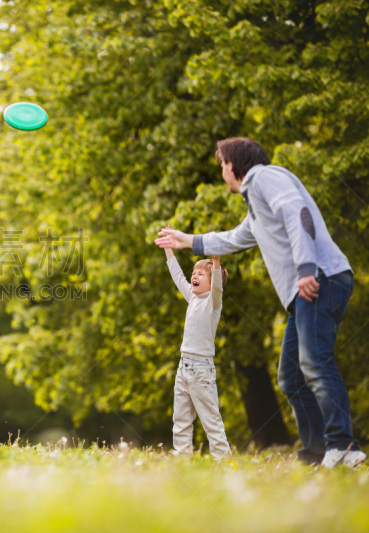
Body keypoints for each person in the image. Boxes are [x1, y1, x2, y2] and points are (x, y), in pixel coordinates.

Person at [155, 137, 365, 468]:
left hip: (320, 279)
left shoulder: (265, 177)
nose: (222, 171)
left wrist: (307, 268)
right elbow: (234, 239)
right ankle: (316, 455)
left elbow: (300, 214)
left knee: (315, 363)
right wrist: (187, 241)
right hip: (305, 292)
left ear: (232, 165)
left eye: (222, 164)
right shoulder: (257, 204)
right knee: (292, 377)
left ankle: (345, 446)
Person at [161, 238, 230, 458]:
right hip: (183, 368)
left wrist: (216, 261)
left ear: (211, 282)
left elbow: (218, 286)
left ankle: (224, 460)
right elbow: (177, 275)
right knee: (180, 419)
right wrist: (168, 250)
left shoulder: (213, 301)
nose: (194, 276)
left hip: (202, 371)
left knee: (211, 420)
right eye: (194, 272)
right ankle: (182, 457)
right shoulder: (192, 296)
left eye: (201, 274)